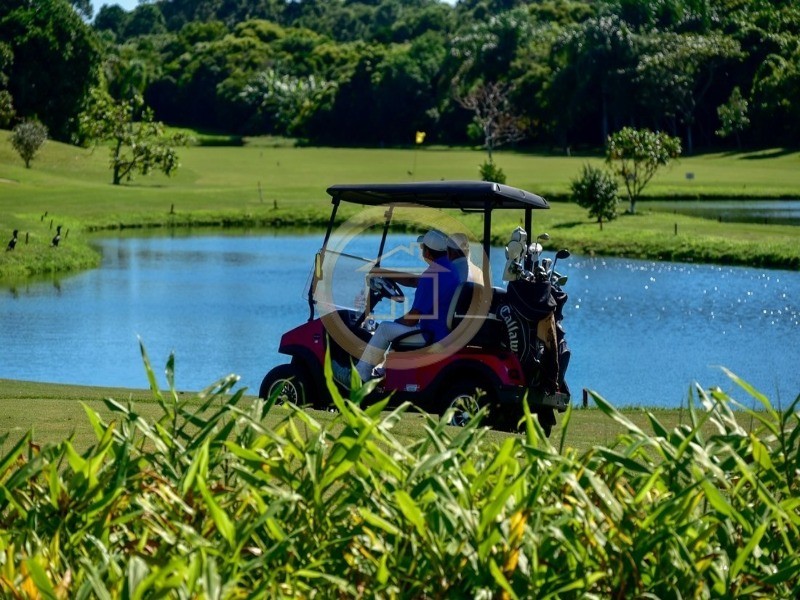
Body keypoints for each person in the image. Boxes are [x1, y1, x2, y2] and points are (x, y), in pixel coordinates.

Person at [355, 229, 460, 382]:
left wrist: (396, 323)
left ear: (429, 253)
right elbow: (414, 281)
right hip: (442, 331)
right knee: (395, 329)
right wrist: (385, 273)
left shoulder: (432, 275)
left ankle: (360, 375)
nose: (421, 250)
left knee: (384, 329)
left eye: (422, 247)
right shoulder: (449, 269)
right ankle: (382, 371)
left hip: (431, 334)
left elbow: (412, 318)